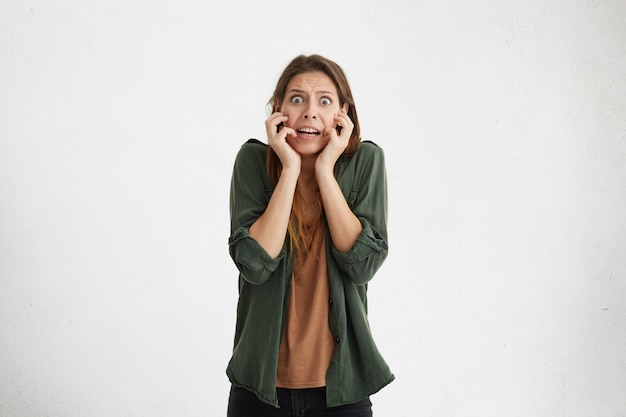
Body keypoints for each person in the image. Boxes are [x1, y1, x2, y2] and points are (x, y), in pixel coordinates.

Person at [226, 54, 393, 417]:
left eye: (325, 100)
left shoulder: (366, 161)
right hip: (259, 391)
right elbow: (254, 263)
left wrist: (325, 171)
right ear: (278, 109)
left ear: (342, 113)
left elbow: (363, 264)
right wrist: (288, 168)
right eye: (297, 99)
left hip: (341, 393)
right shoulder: (253, 162)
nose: (310, 112)